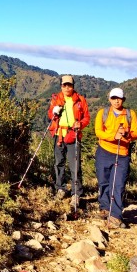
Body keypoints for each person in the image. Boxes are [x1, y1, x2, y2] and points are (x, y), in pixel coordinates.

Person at [94, 87, 137, 229]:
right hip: (104, 152)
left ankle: (115, 216)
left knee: (118, 185)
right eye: (113, 98)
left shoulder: (130, 114)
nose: (116, 101)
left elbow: (136, 133)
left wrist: (126, 134)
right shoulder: (103, 113)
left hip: (122, 154)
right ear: (109, 99)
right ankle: (105, 208)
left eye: (118, 98)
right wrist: (113, 136)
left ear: (123, 99)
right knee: (104, 182)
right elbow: (98, 132)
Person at [48, 75, 90, 206]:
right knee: (59, 163)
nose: (67, 88)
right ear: (61, 86)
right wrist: (54, 112)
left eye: (69, 85)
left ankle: (76, 193)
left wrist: (80, 124)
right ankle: (60, 188)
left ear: (73, 86)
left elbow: (86, 118)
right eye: (64, 85)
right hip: (59, 133)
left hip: (73, 134)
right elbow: (50, 115)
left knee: (74, 165)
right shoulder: (56, 99)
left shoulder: (80, 100)